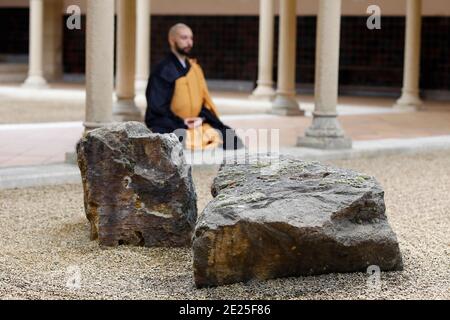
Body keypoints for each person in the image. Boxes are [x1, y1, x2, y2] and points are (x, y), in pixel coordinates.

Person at [145, 23, 243, 150]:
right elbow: (157, 108)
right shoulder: (163, 70)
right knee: (178, 142)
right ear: (172, 40)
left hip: (197, 123)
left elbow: (203, 102)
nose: (189, 42)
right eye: (184, 38)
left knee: (231, 139)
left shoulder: (194, 68)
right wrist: (182, 122)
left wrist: (201, 118)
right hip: (172, 124)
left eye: (191, 38)